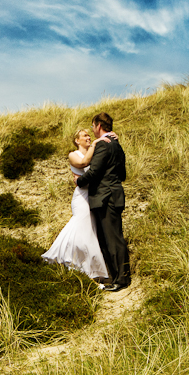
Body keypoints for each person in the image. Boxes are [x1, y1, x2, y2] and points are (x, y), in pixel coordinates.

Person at [41, 128, 113, 283]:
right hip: (82, 197)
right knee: (83, 231)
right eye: (84, 135)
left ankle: (86, 268)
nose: (88, 137)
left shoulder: (93, 153)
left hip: (94, 196)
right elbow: (83, 163)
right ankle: (77, 263)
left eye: (89, 134)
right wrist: (95, 143)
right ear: (76, 140)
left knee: (90, 231)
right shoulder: (73, 154)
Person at [74, 112, 130, 292]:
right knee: (112, 237)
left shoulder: (103, 146)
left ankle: (121, 280)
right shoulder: (117, 145)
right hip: (114, 194)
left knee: (112, 239)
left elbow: (94, 172)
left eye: (92, 127)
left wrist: (78, 182)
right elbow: (123, 174)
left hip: (105, 197)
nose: (92, 131)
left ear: (98, 126)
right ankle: (115, 277)